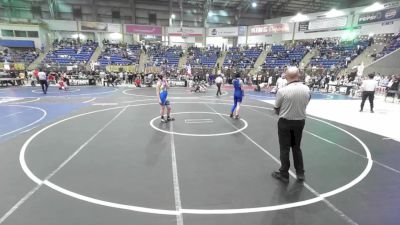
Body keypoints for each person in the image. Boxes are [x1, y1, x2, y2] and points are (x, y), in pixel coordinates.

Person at [272, 66, 311, 183]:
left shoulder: (282, 91)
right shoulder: (306, 89)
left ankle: (284, 174)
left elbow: (276, 108)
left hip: (285, 122)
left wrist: (285, 111)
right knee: (296, 147)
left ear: (286, 76)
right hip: (299, 122)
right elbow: (307, 102)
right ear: (298, 75)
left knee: (284, 149)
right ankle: (300, 173)